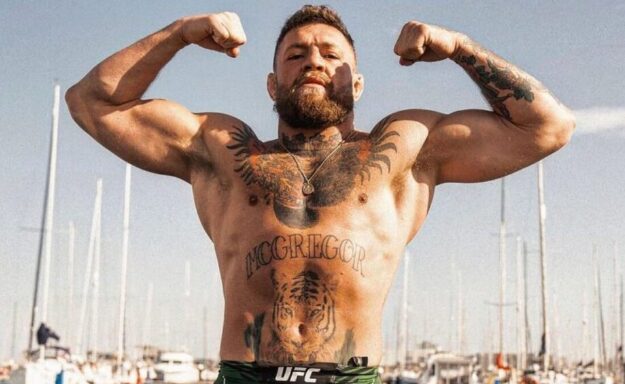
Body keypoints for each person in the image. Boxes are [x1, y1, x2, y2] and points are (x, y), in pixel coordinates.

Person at [66, 5, 575, 383]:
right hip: (246, 375)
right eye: (296, 54)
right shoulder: (223, 152)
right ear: (272, 84)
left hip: (353, 376)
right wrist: (179, 34)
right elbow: (90, 102)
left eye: (332, 55)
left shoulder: (404, 149)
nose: (314, 61)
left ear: (357, 84)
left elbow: (547, 127)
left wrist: (458, 47)